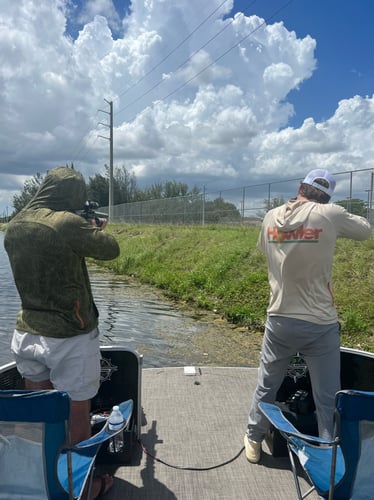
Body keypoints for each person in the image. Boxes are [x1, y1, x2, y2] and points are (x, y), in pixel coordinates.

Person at [4, 166, 120, 498]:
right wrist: (93, 228)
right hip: (70, 336)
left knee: (37, 416)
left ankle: (37, 480)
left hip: (26, 331)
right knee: (77, 411)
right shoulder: (67, 224)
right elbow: (110, 249)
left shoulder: (14, 226)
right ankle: (83, 488)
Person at [244, 169, 372, 464]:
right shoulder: (330, 213)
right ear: (326, 195)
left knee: (267, 384)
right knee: (326, 396)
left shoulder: (270, 217)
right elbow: (365, 230)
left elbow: (268, 251)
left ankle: (253, 438)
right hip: (320, 323)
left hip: (279, 318)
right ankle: (327, 453)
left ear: (301, 187)